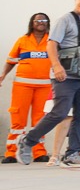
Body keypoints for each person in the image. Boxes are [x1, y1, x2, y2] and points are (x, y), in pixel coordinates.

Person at [16, 0, 80, 169]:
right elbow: (52, 44)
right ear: (76, 0)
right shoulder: (65, 20)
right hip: (66, 75)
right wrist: (56, 66)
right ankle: (28, 140)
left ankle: (72, 154)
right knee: (60, 112)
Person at [3, 12, 54, 163]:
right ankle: (11, 153)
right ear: (32, 23)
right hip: (22, 86)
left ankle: (39, 152)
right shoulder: (22, 40)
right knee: (18, 119)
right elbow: (11, 61)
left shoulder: (52, 41)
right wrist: (3, 75)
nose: (41, 22)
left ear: (48, 24)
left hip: (44, 87)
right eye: (38, 20)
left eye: (44, 20)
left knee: (40, 120)